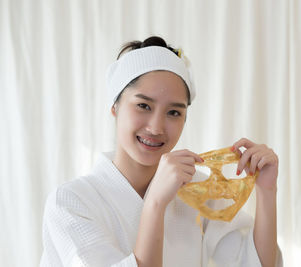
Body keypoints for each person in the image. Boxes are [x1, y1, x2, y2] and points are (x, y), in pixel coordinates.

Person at [40, 36, 283, 267]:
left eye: (174, 112)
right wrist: (155, 203)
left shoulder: (198, 190)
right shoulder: (70, 202)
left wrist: (266, 191)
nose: (155, 127)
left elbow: (252, 263)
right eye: (143, 105)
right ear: (115, 107)